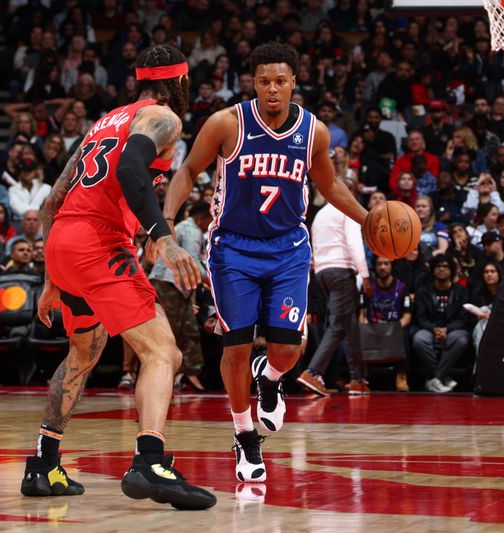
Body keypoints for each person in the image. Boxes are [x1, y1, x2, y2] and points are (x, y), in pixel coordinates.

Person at [21, 44, 216, 509]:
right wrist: (162, 236)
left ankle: (44, 461)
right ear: (179, 82)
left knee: (83, 353)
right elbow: (130, 167)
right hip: (100, 243)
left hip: (64, 243)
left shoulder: (105, 119)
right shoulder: (163, 118)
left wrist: (52, 277)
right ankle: (150, 459)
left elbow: (53, 199)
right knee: (163, 352)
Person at [164, 42, 369, 483]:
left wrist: (368, 220)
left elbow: (330, 187)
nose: (272, 89)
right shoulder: (226, 123)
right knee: (235, 346)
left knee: (289, 349)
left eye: (280, 81)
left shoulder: (314, 132)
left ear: (295, 82)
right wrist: (164, 223)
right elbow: (187, 171)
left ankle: (271, 378)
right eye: (263, 81)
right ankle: (244, 436)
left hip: (288, 248)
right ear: (252, 82)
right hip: (233, 250)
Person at [297, 172, 369, 396]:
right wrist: (365, 275)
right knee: (339, 324)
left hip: (323, 273)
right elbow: (354, 243)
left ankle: (357, 378)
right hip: (340, 271)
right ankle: (313, 372)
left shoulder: (320, 215)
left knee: (348, 324)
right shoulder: (347, 211)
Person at [148, 201, 211, 392]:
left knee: (189, 331)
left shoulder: (186, 228)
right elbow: (191, 262)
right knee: (170, 332)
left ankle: (184, 374)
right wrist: (210, 280)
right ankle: (159, 375)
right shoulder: (192, 230)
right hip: (167, 285)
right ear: (201, 218)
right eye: (209, 220)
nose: (210, 224)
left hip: (178, 286)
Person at [412, 254, 470, 393]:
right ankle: (443, 376)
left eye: (445, 266)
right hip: (429, 329)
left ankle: (435, 377)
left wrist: (447, 330)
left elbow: (463, 318)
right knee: (419, 340)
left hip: (452, 330)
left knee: (461, 339)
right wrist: (434, 329)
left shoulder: (460, 291)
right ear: (432, 270)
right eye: (438, 266)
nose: (442, 269)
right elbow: (420, 317)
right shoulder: (423, 291)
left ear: (451, 270)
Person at [358, 256, 413, 392]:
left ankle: (401, 376)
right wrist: (367, 327)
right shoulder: (368, 287)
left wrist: (391, 330)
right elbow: (362, 315)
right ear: (375, 267)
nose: (383, 267)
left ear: (391, 266)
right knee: (358, 334)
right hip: (372, 328)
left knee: (405, 336)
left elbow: (407, 317)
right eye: (379, 264)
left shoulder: (401, 287)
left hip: (394, 328)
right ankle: (361, 378)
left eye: (386, 264)